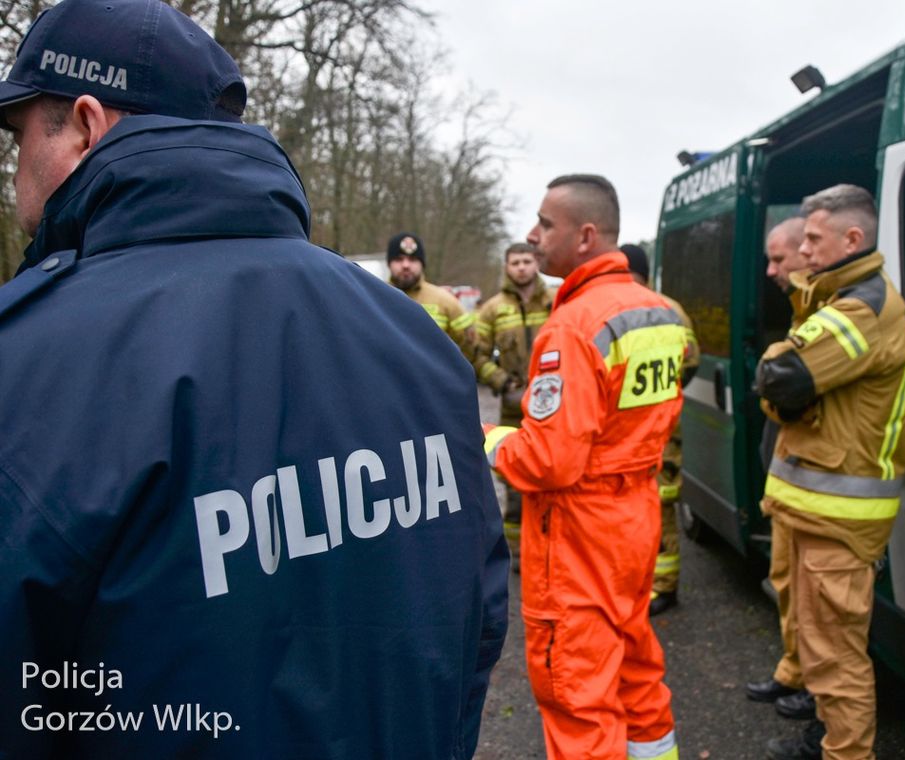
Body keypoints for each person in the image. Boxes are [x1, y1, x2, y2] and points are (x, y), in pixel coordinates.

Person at [0, 1, 508, 758]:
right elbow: (476, 622)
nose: (16, 176)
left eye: (20, 139)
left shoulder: (29, 357)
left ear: (83, 124)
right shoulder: (414, 343)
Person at [484, 175, 685, 760]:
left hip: (579, 534)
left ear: (585, 235)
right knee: (636, 672)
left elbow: (549, 460)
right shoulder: (657, 312)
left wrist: (488, 438)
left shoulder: (571, 327)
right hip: (634, 516)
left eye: (546, 223)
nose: (532, 234)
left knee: (577, 694)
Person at [754, 185, 905, 760]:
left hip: (840, 519)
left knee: (836, 654)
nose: (803, 252)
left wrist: (781, 370)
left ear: (853, 239)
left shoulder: (861, 309)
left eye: (813, 241)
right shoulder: (836, 300)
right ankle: (825, 739)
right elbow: (787, 385)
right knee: (819, 642)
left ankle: (846, 753)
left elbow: (778, 378)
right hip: (815, 508)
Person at [746, 217, 817, 721]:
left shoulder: (827, 309)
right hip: (787, 475)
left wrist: (770, 390)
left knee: (817, 603)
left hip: (817, 482)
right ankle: (792, 670)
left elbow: (781, 385)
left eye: (779, 258)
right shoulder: (800, 307)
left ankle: (812, 686)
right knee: (786, 580)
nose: (771, 270)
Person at [619, 243, 699, 616]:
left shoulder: (665, 310)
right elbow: (690, 363)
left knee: (662, 505)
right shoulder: (668, 310)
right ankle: (640, 580)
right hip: (642, 427)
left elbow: (690, 361)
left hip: (657, 428)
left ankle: (664, 585)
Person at [473, 241, 553, 568]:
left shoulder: (555, 302)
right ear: (506, 267)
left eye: (526, 261)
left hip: (552, 403)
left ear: (536, 263)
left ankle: (551, 546)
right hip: (512, 405)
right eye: (515, 262)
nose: (521, 267)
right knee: (514, 481)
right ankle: (517, 552)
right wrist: (504, 383)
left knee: (552, 471)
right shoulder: (492, 309)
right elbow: (477, 356)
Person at [387, 231, 477, 355]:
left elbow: (469, 350)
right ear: (389, 264)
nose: (406, 265)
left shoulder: (446, 302)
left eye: (412, 259)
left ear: (422, 264)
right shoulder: (373, 297)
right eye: (399, 259)